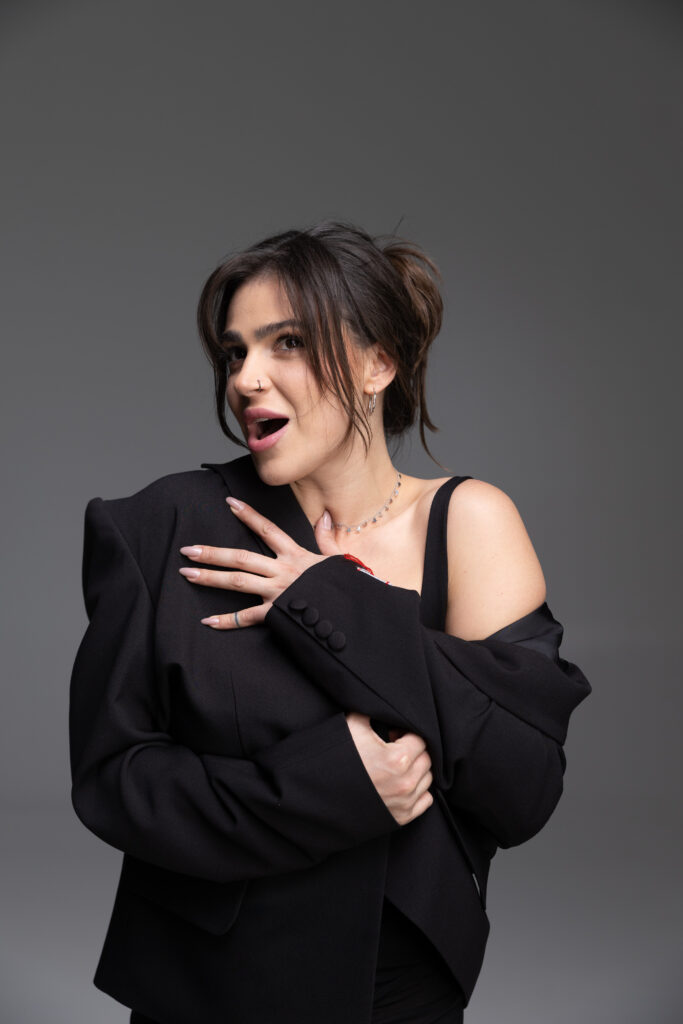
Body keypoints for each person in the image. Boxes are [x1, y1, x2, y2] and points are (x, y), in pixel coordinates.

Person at [69, 220, 591, 1024]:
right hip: (208, 989)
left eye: (288, 343)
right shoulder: (162, 525)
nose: (246, 379)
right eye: (235, 352)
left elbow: (521, 789)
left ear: (378, 364)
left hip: (399, 987)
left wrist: (328, 598)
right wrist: (325, 788)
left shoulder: (469, 522)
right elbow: (115, 784)